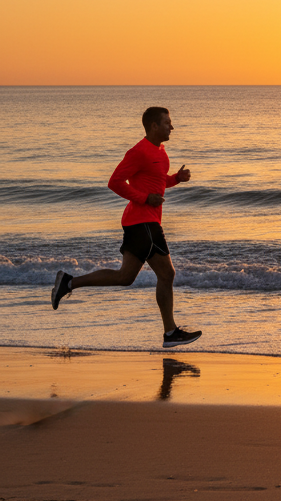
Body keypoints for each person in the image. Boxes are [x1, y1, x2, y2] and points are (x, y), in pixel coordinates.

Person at [50, 107, 202, 349]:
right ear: (153, 125)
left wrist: (176, 179)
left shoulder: (161, 152)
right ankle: (170, 332)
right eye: (167, 123)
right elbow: (115, 182)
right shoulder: (138, 152)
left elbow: (157, 181)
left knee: (125, 277)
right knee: (167, 274)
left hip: (141, 222)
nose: (171, 127)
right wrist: (144, 199)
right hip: (143, 222)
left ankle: (68, 282)